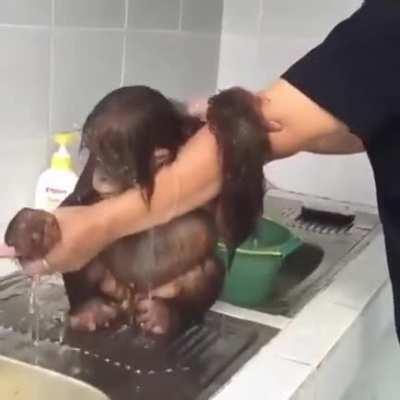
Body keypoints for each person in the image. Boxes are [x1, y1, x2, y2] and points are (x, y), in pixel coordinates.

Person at [22, 0, 400, 340]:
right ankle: (92, 304)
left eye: (113, 161)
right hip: (120, 272)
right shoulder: (115, 148)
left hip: (168, 273)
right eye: (94, 153)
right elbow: (350, 125)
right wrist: (37, 229)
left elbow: (291, 128)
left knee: (205, 271)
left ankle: (171, 312)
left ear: (159, 157)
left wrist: (236, 118)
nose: (100, 172)